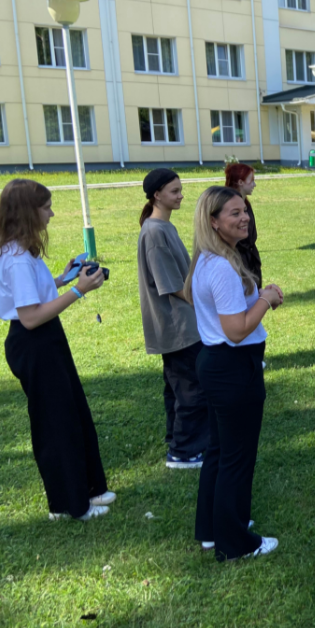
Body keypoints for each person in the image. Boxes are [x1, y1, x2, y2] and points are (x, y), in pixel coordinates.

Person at [0, 179, 113, 521]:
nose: (52, 213)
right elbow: (29, 317)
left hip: (44, 340)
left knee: (71, 411)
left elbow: (33, 294)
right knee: (56, 423)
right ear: (29, 212)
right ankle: (69, 505)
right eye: (46, 207)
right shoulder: (16, 259)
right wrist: (79, 291)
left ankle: (90, 489)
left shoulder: (17, 249)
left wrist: (64, 277)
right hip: (34, 342)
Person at [185, 186, 284, 560]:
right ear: (213, 222)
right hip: (231, 367)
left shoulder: (210, 260)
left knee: (220, 451)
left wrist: (259, 297)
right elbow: (237, 329)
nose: (244, 218)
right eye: (233, 214)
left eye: (244, 211)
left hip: (218, 364)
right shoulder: (222, 267)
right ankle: (235, 544)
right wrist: (265, 299)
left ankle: (213, 530)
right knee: (235, 458)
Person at [137, 168, 208, 469]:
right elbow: (172, 286)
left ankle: (177, 441)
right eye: (174, 191)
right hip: (177, 326)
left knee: (178, 389)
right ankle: (183, 452)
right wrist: (205, 301)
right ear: (157, 195)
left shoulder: (165, 227)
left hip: (182, 323)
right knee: (191, 389)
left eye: (181, 190)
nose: (181, 196)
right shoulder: (154, 232)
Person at [224, 162, 262, 287]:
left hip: (250, 259)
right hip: (238, 259)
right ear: (240, 182)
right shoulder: (227, 203)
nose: (254, 184)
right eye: (251, 181)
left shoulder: (245, 202)